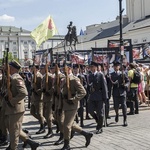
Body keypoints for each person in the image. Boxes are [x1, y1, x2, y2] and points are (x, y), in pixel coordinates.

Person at [5, 60, 39, 150]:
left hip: (16, 109)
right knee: (14, 130)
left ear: (12, 68)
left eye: (8, 67)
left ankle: (13, 148)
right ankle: (32, 143)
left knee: (14, 132)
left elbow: (24, 93)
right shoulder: (11, 77)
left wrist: (12, 101)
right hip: (12, 109)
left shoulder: (16, 78)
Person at [60, 62, 93, 150]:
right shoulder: (63, 79)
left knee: (67, 126)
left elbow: (83, 92)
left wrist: (74, 99)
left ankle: (67, 145)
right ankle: (86, 134)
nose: (63, 70)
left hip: (72, 105)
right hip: (65, 104)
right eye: (63, 68)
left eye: (65, 68)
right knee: (69, 124)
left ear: (70, 68)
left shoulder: (74, 79)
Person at [88, 61, 108, 134]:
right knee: (90, 111)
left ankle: (100, 127)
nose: (91, 68)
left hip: (99, 96)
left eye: (92, 67)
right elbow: (88, 85)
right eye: (91, 67)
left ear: (96, 67)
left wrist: (105, 97)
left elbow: (104, 86)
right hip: (92, 96)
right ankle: (97, 119)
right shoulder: (89, 75)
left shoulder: (100, 75)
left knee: (100, 113)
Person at [110, 61, 129, 126]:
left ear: (119, 67)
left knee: (124, 106)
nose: (116, 67)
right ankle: (117, 114)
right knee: (116, 106)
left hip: (122, 91)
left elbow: (128, 81)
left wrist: (125, 85)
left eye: (117, 66)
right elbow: (110, 83)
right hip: (115, 92)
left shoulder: (123, 73)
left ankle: (125, 119)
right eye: (115, 66)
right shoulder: (111, 74)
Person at [30, 64, 46, 134]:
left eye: (32, 69)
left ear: (36, 69)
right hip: (34, 98)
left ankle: (42, 126)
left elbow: (42, 87)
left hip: (39, 97)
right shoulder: (34, 75)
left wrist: (37, 91)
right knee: (32, 112)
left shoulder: (39, 76)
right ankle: (44, 121)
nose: (31, 70)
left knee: (39, 113)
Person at [40, 64, 54, 139]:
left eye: (41, 69)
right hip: (45, 98)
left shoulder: (50, 76)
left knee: (48, 116)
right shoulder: (44, 77)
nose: (40, 70)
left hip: (49, 99)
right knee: (45, 114)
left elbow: (54, 86)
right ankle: (55, 123)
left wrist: (49, 91)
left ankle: (50, 131)